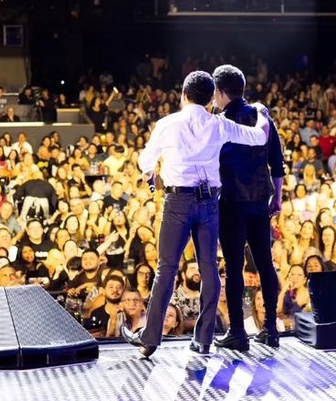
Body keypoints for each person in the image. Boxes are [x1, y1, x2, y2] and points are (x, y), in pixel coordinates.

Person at [121, 70, 270, 358]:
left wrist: (150, 171)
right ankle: (202, 340)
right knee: (209, 269)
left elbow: (144, 160)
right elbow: (259, 137)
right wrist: (262, 113)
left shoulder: (167, 124)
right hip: (209, 203)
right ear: (211, 97)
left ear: (183, 94)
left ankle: (150, 339)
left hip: (178, 202)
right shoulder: (219, 124)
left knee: (166, 269)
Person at [212, 64, 285, 351]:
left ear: (219, 92)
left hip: (230, 204)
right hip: (259, 202)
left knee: (234, 268)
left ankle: (238, 333)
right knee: (265, 264)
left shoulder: (219, 123)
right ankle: (270, 330)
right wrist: (276, 198)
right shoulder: (261, 116)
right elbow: (277, 163)